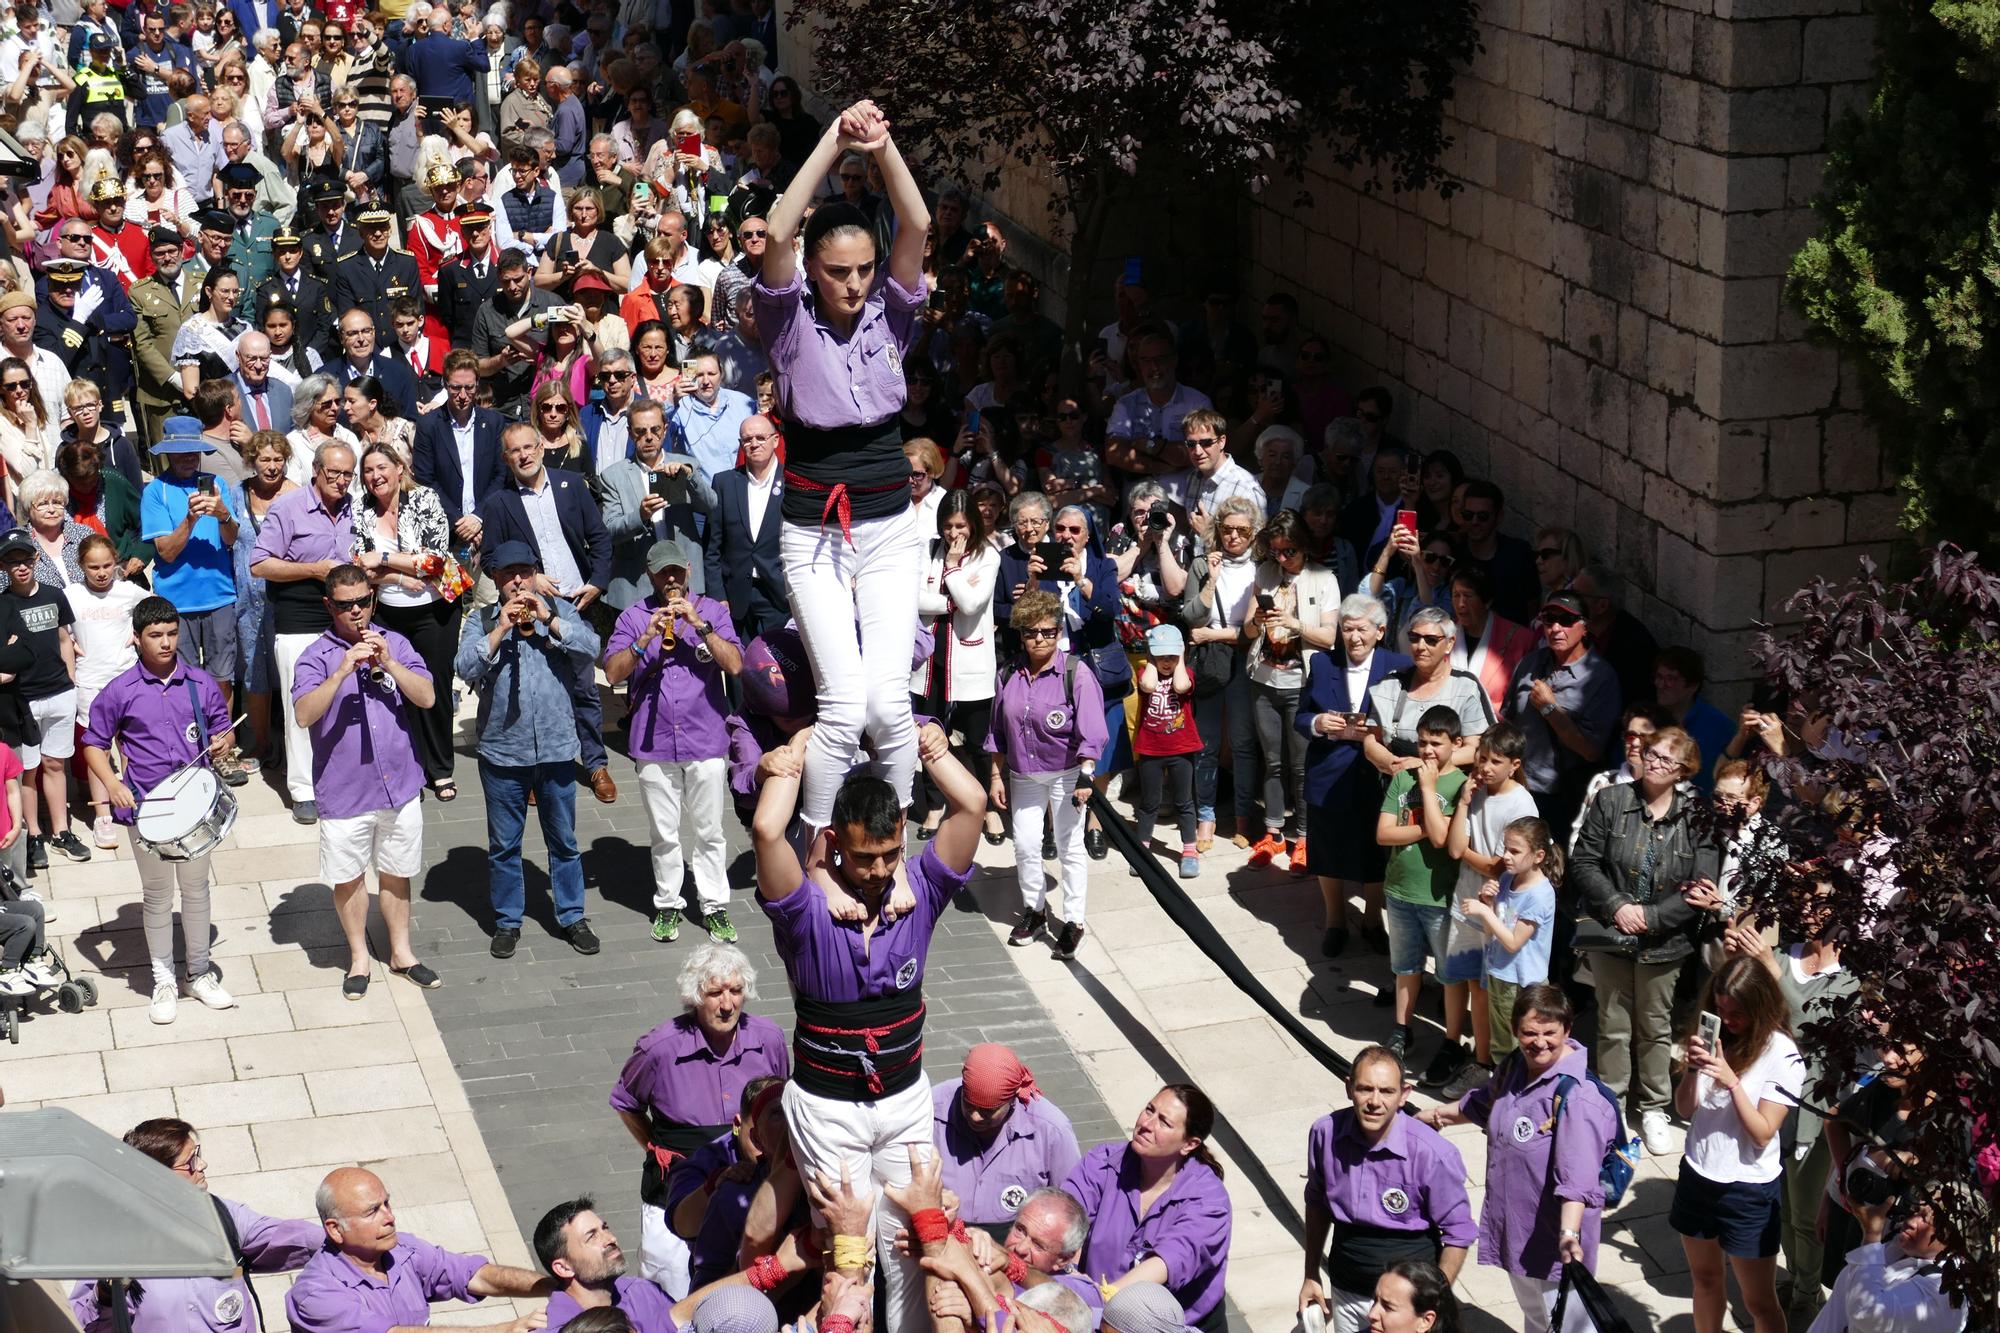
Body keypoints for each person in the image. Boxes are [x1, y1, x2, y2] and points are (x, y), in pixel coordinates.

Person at [749, 718, 981, 1333]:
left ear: (901, 838)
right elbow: (768, 829)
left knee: (916, 1242)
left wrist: (928, 746)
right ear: (832, 842)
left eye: (887, 856)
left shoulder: (921, 893)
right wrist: (791, 760)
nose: (878, 872)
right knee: (847, 1250)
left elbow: (972, 804)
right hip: (828, 1106)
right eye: (862, 858)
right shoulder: (804, 913)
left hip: (904, 1099)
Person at [753, 98, 931, 835]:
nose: (855, 283)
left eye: (864, 269)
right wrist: (834, 139)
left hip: (889, 523)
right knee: (841, 705)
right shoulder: (787, 325)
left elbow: (916, 225)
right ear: (814, 271)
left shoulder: (894, 313)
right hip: (815, 530)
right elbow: (779, 228)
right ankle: (823, 838)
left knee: (890, 705)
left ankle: (889, 834)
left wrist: (882, 147)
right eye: (838, 271)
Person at [1417, 985, 1618, 1333]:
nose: (1539, 1042)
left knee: (1569, 1328)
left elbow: (1578, 1181)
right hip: (1518, 1232)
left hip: (1556, 1246)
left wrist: (1569, 1235)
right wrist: (1435, 1115)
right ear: (1514, 1031)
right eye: (1529, 1032)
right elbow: (1484, 1103)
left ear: (1567, 1031)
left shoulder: (1578, 1098)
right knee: (1537, 1320)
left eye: (1549, 1033)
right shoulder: (1514, 1066)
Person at [81, 596, 240, 1024]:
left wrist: (224, 742)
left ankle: (199, 973)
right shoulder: (120, 691)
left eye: (172, 634)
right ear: (136, 639)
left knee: (197, 890)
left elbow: (222, 729)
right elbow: (93, 744)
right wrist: (113, 784)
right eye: (156, 636)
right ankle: (163, 977)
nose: (166, 643)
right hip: (147, 810)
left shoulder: (200, 682)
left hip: (194, 807)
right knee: (157, 895)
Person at [292, 563, 440, 998]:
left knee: (396, 872)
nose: (356, 612)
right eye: (345, 605)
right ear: (328, 606)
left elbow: (427, 696)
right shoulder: (315, 657)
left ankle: (401, 953)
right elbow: (303, 715)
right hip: (345, 789)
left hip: (399, 783)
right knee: (349, 877)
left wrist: (390, 663)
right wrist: (340, 672)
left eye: (363, 602)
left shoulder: (394, 643)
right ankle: (358, 957)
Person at [609, 942, 789, 1298]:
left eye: (736, 991)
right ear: (694, 997)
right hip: (679, 1185)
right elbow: (625, 1102)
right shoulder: (658, 1049)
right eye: (715, 993)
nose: (727, 1004)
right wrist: (656, 1145)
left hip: (751, 1186)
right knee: (674, 1291)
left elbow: (779, 1105)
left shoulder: (768, 1039)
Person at [1570, 724, 1717, 1158]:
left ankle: (1654, 1106)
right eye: (1650, 753)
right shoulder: (1612, 800)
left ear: (1684, 771)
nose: (1652, 762)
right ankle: (1611, 1100)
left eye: (1665, 759)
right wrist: (1617, 905)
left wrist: (1650, 917)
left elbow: (1701, 885)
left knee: (1655, 1026)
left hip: (1666, 940)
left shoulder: (1698, 814)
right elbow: (1584, 862)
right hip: (1612, 931)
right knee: (1612, 1021)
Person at [455, 539, 602, 960]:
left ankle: (572, 916)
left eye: (524, 572)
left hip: (556, 747)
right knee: (504, 845)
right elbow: (464, 668)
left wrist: (552, 622)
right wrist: (500, 629)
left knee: (565, 841)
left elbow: (593, 650)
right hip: (503, 752)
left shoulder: (559, 610)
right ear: (496, 580)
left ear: (535, 575)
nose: (517, 582)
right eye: (507, 575)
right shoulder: (482, 618)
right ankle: (507, 921)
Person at [604, 539, 743, 946]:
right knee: (665, 832)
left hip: (705, 739)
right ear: (649, 575)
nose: (670, 580)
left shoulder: (713, 611)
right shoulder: (633, 616)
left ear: (688, 570)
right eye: (662, 573)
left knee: (710, 831)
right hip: (655, 741)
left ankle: (714, 906)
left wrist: (699, 625)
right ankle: (668, 904)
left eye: (676, 573)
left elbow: (735, 664)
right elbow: (612, 673)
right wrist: (644, 638)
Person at [69, 1118, 324, 1333]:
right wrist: (104, 1295)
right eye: (190, 1161)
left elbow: (283, 1236)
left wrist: (344, 1237)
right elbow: (81, 1323)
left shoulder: (224, 1217)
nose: (201, 1165)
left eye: (198, 1154)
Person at [476, 423, 615, 803]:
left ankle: (595, 762)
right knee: (537, 688)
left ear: (540, 447)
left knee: (585, 687)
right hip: (532, 606)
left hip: (577, 601)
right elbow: (490, 558)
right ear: (506, 458)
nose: (523, 455)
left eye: (528, 447)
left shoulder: (570, 485)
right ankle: (539, 771)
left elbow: (599, 537)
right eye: (514, 451)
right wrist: (531, 581)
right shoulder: (499, 502)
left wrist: (598, 581)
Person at [1297, 1047, 1475, 1333]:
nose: (1375, 1102)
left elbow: (1459, 1232)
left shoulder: (1432, 1153)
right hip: (1346, 1288)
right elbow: (1317, 1201)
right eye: (1365, 1089)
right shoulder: (1325, 1134)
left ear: (1404, 1094)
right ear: (1348, 1088)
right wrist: (1311, 1274)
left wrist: (1432, 1301)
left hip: (1406, 1307)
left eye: (1387, 1091)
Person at [1671, 956, 1804, 1333]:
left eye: (1737, 1013)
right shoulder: (1713, 1038)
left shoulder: (1783, 1054)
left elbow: (1763, 1132)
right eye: (1720, 1009)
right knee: (1706, 1281)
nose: (1726, 1020)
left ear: (1760, 1007)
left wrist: (1731, 1082)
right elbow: (1684, 1109)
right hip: (1698, 1175)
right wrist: (1693, 1069)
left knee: (1758, 1301)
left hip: (1747, 1190)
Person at [285, 1167, 554, 1333]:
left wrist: (555, 1286)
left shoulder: (403, 1250)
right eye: (372, 1211)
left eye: (387, 1203)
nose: (389, 1217)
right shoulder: (315, 1295)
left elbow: (475, 1275)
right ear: (335, 1229)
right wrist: (503, 1330)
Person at [989, 589, 1107, 959]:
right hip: (1023, 774)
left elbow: (1093, 731)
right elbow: (996, 731)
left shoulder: (1076, 673)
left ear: (1059, 632)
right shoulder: (1008, 672)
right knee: (1025, 845)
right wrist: (995, 776)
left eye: (1048, 631)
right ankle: (1035, 911)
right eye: (1031, 632)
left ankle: (1073, 921)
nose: (1040, 638)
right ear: (1020, 634)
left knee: (1070, 847)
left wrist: (1086, 777)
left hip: (1067, 773)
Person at [1065, 1083, 1232, 1331]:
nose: (1147, 1124)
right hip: (1100, 1318)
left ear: (1190, 1144)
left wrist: (1099, 1296)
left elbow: (1169, 1260)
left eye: (1164, 1122)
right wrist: (1070, 1272)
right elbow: (1068, 1221)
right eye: (1149, 1110)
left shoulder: (1209, 1200)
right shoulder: (1103, 1163)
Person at [250, 440, 357, 825]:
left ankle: (340, 778)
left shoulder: (352, 508)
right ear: (315, 470)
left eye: (348, 474)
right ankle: (303, 790)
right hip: (297, 619)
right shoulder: (288, 508)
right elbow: (260, 565)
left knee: (344, 700)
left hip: (345, 619)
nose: (341, 481)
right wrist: (314, 570)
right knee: (302, 705)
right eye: (334, 473)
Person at [1297, 594, 1409, 959]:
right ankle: (1335, 921)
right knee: (1327, 847)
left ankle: (1373, 920)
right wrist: (1317, 722)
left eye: (1362, 629)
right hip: (1329, 770)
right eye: (1347, 629)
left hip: (1376, 774)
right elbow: (1300, 716)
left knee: (1376, 850)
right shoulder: (1322, 662)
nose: (1354, 637)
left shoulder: (1399, 665)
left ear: (1380, 631)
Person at [1434, 723, 1539, 1095]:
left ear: (1514, 764)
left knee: (1486, 990)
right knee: (1462, 980)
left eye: (1495, 761)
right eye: (1482, 759)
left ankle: (1486, 1063)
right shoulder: (1474, 791)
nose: (1485, 768)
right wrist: (1463, 802)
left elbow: (1498, 865)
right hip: (1467, 900)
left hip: (1496, 910)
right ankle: (1470, 1053)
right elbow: (1452, 847)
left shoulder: (1520, 803)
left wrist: (1465, 853)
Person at [1241, 508, 1340, 870]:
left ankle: (1305, 837)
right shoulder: (1265, 573)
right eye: (1276, 552)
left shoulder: (1324, 578)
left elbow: (1330, 638)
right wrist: (1258, 619)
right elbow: (1249, 633)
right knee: (1273, 762)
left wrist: (1294, 623)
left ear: (1303, 547)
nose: (1282, 559)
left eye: (1289, 552)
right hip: (1264, 678)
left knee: (1301, 766)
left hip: (1302, 681)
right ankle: (1273, 833)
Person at [1373, 705, 1465, 1065]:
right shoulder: (1403, 778)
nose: (1427, 751)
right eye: (1422, 742)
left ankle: (1453, 1039)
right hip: (1399, 890)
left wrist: (1428, 789)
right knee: (1405, 966)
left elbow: (1444, 842)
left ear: (1455, 744)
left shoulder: (1459, 785)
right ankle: (1402, 1029)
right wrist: (1428, 827)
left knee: (1449, 972)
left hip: (1439, 894)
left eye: (1436, 744)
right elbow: (1383, 833)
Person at [0, 524, 87, 870]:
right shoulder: (3, 605)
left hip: (59, 692)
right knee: (28, 770)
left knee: (56, 764)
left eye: (25, 559)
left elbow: (65, 638)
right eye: (11, 561)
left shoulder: (54, 594)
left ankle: (61, 831)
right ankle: (34, 833)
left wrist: (71, 680)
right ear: (4, 567)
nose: (20, 566)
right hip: (24, 699)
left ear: (36, 558)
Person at [1505, 591, 1622, 844]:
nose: (1556, 628)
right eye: (1549, 620)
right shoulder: (1531, 663)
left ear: (1585, 627)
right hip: (1517, 785)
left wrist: (1549, 709)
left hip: (1559, 798)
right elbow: (1509, 719)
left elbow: (1591, 750)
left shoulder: (1601, 678)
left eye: (1566, 621)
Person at [65, 535, 149, 849]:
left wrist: (137, 635)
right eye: (93, 567)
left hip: (126, 679)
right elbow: (55, 623)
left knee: (129, 745)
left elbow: (158, 609)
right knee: (97, 751)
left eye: (107, 565)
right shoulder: (71, 594)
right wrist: (67, 640)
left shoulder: (127, 592)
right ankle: (102, 816)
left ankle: (130, 803)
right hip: (90, 681)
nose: (101, 572)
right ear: (81, 567)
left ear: (116, 562)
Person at [597, 399, 714, 610]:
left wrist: (690, 477)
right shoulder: (613, 476)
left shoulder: (687, 465)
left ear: (665, 429)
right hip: (636, 585)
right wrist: (639, 515)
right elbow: (609, 531)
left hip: (685, 582)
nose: (649, 437)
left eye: (655, 429)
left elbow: (711, 506)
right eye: (640, 431)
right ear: (630, 433)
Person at [1462, 817, 1563, 1061]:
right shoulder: (1507, 880)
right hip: (1499, 973)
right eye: (1505, 848)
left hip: (1522, 983)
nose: (1506, 856)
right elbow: (1492, 932)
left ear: (1538, 856)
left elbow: (1513, 942)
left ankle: (1519, 1089)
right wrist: (1489, 903)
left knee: (1523, 1043)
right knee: (1502, 1042)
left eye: (1514, 851)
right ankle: (1503, 1082)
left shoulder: (1540, 895)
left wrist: (1484, 910)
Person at [232, 432, 296, 773]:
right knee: (255, 677)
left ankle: (292, 745)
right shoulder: (237, 493)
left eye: (277, 459)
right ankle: (261, 744)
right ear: (252, 460)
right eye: (264, 459)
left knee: (290, 675)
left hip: (288, 601)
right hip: (248, 601)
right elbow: (228, 539)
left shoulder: (298, 494)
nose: (271, 466)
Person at [1805, 1196, 1963, 1333]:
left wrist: (1871, 1236)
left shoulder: (1944, 1292)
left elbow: (1866, 1313)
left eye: (1926, 1220)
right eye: (1915, 1210)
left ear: (1951, 1239)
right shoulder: (1897, 1245)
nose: (1911, 1222)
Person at [702, 411, 786, 644]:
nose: (754, 444)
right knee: (738, 672)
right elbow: (712, 548)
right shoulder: (724, 483)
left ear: (775, 440)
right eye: (747, 439)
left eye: (761, 437)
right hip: (735, 598)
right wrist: (717, 596)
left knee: (780, 672)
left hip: (779, 596)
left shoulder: (792, 482)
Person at [412, 350, 505, 557]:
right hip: (446, 533)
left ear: (477, 384)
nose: (463, 395)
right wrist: (460, 523)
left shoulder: (493, 422)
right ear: (445, 384)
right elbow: (426, 480)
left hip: (487, 530)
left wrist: (478, 517)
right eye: (456, 388)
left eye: (469, 388)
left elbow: (500, 475)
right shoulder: (429, 425)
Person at [1130, 622, 1202, 877]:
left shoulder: (1186, 674)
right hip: (1151, 749)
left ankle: (1189, 851)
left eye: (1171, 656)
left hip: (1181, 749)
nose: (1167, 662)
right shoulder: (1145, 673)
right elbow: (1148, 686)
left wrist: (1180, 656)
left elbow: (1182, 687)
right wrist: (1151, 659)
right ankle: (1143, 850)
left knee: (1184, 801)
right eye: (1161, 656)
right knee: (1149, 802)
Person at [1455, 480, 1538, 623]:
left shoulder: (1518, 554)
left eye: (1483, 516)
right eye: (1468, 515)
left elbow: (1533, 605)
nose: (1475, 522)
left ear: (1498, 517)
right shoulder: (1455, 553)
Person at [1652, 646, 1734, 790]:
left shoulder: (1720, 726)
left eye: (1670, 678)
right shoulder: (1647, 721)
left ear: (1693, 686)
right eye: (1659, 677)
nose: (1660, 685)